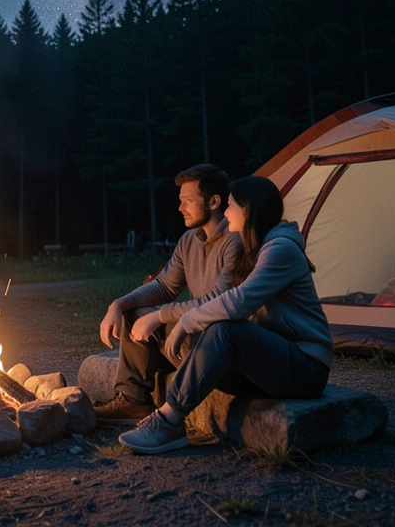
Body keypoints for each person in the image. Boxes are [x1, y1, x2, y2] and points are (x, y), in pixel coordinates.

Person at [118, 175, 332, 454]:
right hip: (266, 366)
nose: (226, 213)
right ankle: (142, 401)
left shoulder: (281, 249)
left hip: (305, 367)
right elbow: (208, 298)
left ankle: (168, 421)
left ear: (248, 210)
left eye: (231, 206)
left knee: (225, 329)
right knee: (213, 333)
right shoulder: (253, 247)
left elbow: (238, 302)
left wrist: (185, 320)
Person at [94, 164, 242, 425]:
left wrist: (161, 316)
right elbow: (164, 286)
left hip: (220, 344)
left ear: (214, 201)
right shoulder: (189, 240)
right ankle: (133, 401)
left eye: (187, 201)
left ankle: (156, 412)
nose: (180, 208)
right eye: (180, 201)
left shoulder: (235, 241)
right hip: (191, 336)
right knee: (135, 312)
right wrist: (118, 304)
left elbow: (220, 299)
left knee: (149, 317)